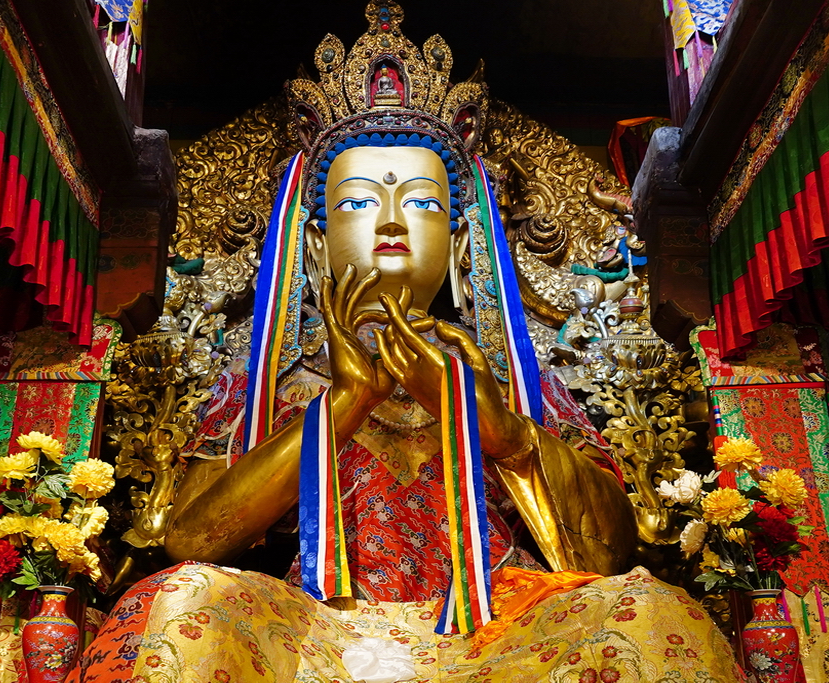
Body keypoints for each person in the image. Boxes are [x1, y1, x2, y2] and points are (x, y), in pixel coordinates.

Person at [67, 7, 742, 681]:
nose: (390, 221)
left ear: (455, 241)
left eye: (420, 203)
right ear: (313, 240)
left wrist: (501, 430)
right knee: (181, 600)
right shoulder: (268, 382)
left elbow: (607, 552)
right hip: (316, 624)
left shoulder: (511, 381)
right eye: (358, 204)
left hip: (500, 629)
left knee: (650, 614)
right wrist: (341, 406)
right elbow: (188, 539)